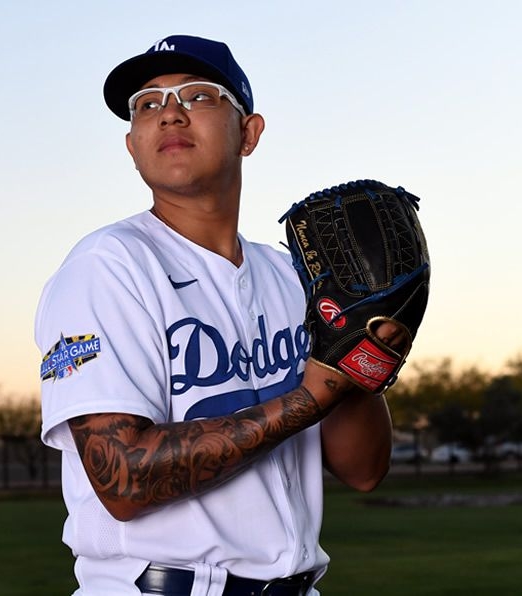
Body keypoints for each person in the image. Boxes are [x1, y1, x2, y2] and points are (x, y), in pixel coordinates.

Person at [36, 34, 404, 596]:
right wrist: (312, 397)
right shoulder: (107, 266)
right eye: (148, 104)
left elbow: (363, 471)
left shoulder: (294, 275)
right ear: (132, 146)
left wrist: (364, 361)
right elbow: (126, 479)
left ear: (249, 134)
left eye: (199, 96)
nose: (170, 114)